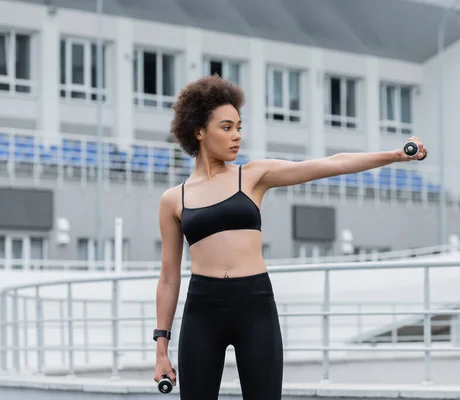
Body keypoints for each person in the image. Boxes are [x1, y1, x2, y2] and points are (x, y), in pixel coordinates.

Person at [153, 75, 427, 399]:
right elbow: (169, 277)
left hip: (253, 305)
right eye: (226, 127)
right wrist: (161, 348)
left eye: (239, 127)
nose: (236, 136)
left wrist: (395, 156)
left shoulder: (253, 176)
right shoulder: (175, 199)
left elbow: (330, 164)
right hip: (202, 309)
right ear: (199, 131)